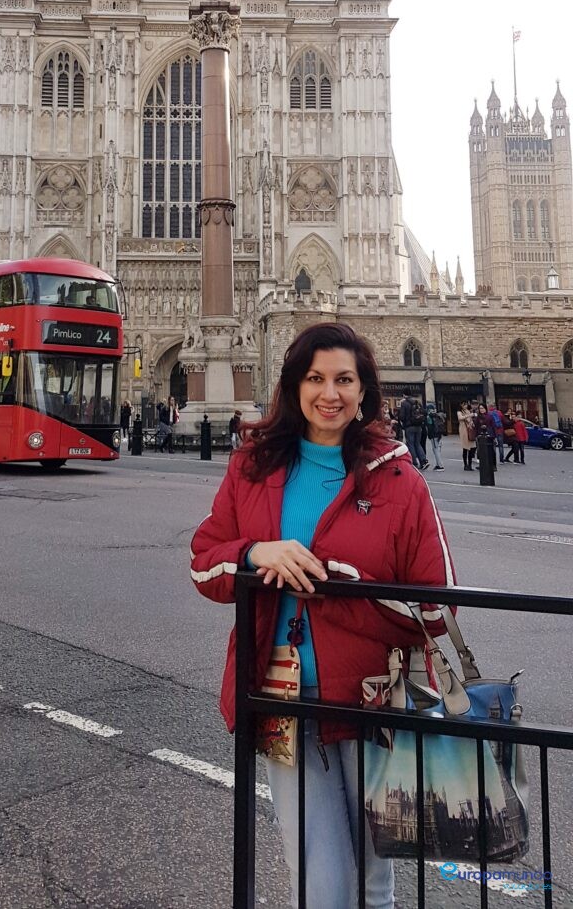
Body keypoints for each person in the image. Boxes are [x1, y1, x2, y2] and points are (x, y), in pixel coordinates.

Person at [190, 322, 456, 909]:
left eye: (343, 379)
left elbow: (441, 606)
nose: (329, 393)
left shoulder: (400, 479)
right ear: (293, 386)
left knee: (372, 884)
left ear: (364, 392)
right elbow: (204, 562)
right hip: (287, 701)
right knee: (320, 884)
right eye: (315, 378)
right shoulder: (253, 468)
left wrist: (349, 589)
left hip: (376, 702)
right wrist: (256, 554)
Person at [398, 390, 428, 469]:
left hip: (409, 427)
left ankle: (414, 463)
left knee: (410, 445)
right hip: (418, 426)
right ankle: (423, 461)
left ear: (404, 395)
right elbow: (424, 412)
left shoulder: (404, 403)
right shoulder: (417, 402)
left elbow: (402, 416)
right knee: (417, 444)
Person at [425, 403, 445, 469]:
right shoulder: (438, 415)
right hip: (439, 434)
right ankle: (438, 464)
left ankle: (440, 465)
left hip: (433, 434)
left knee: (435, 449)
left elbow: (430, 426)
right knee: (437, 449)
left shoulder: (429, 416)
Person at [457, 402, 476, 470]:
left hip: (470, 429)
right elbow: (460, 418)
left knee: (472, 447)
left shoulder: (468, 411)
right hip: (464, 430)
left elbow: (471, 420)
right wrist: (469, 415)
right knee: (465, 448)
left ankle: (470, 464)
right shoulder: (459, 412)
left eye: (466, 404)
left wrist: (472, 424)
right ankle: (465, 464)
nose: (465, 406)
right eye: (463, 404)